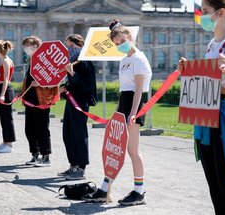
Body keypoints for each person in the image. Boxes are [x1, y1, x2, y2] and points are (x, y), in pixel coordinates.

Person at [177, 0, 225, 214]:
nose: (201, 15)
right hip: (207, 116)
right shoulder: (212, 44)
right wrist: (190, 69)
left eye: (205, 11)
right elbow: (209, 80)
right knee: (214, 184)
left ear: (220, 13)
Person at [82, 19, 152, 206]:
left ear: (130, 37)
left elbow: (138, 89)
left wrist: (133, 113)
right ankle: (105, 189)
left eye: (121, 42)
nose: (119, 46)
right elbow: (125, 89)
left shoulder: (139, 58)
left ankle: (139, 192)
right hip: (124, 103)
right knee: (115, 148)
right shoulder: (125, 59)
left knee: (132, 150)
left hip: (134, 105)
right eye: (117, 44)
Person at [58, 34, 97, 180]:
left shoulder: (85, 62)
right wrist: (64, 87)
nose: (69, 50)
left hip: (80, 102)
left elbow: (87, 86)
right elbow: (71, 83)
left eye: (71, 46)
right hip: (71, 100)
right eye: (68, 47)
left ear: (79, 46)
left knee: (79, 135)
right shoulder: (73, 62)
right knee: (68, 134)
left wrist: (72, 72)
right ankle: (73, 165)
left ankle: (81, 168)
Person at [21, 36, 58, 167]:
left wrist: (41, 83)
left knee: (42, 128)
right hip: (30, 99)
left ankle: (46, 155)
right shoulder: (31, 60)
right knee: (29, 129)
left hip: (41, 99)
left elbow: (54, 79)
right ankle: (34, 154)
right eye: (25, 46)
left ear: (37, 46)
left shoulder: (46, 60)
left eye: (29, 46)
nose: (27, 49)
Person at [0, 40, 16, 153]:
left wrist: (2, 94)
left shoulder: (6, 61)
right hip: (3, 90)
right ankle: (5, 142)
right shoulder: (5, 60)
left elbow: (6, 79)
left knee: (7, 118)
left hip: (6, 90)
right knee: (4, 118)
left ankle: (9, 144)